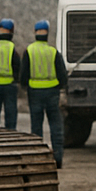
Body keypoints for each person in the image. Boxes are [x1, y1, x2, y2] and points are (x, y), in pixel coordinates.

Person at [27, 19, 68, 168]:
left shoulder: (29, 51)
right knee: (56, 126)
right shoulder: (53, 52)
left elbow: (23, 75)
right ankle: (57, 158)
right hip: (52, 92)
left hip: (35, 92)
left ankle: (37, 157)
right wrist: (60, 87)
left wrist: (28, 86)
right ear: (48, 34)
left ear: (35, 32)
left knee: (36, 127)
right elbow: (62, 75)